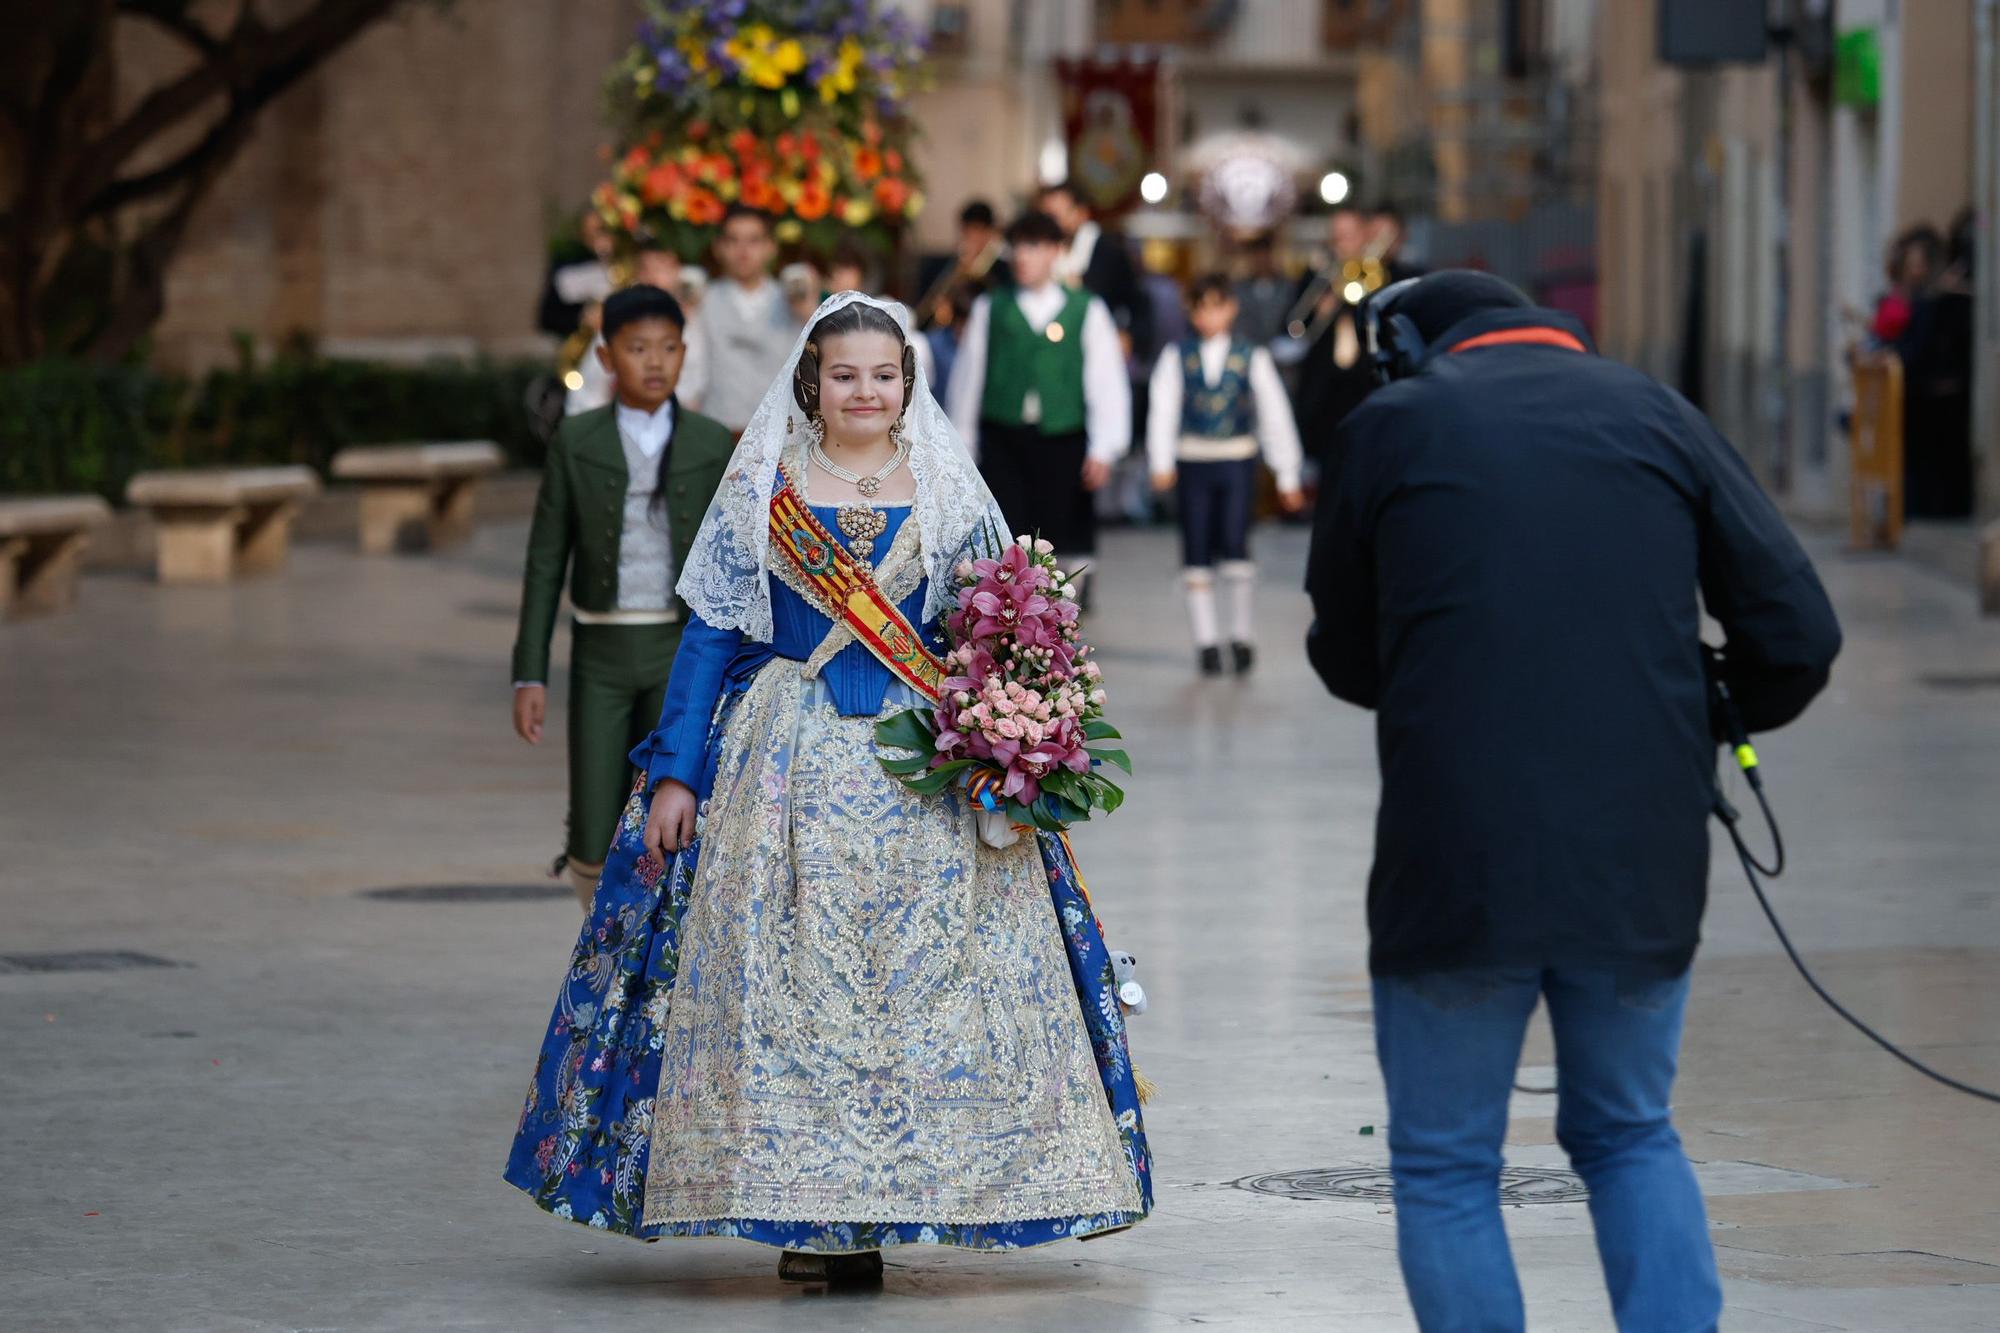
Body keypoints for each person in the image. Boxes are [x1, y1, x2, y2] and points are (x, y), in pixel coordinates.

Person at [503, 292, 1152, 1284]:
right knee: (793, 982)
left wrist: (1018, 741)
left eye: (882, 375)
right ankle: (810, 1214)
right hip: (783, 757)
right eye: (843, 374)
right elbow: (712, 634)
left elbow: (997, 638)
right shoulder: (764, 481)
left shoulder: (945, 486)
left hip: (921, 763)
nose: (863, 391)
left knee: (917, 984)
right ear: (811, 380)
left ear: (907, 382)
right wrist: (676, 771)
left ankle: (905, 1191)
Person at [1306, 271, 1842, 1332]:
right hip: (1637, 851)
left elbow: (1345, 655)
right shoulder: (1656, 412)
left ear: (1406, 341)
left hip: (1454, 853)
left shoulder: (1391, 426)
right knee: (1630, 1132)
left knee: (1445, 1164)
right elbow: (1799, 634)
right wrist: (1698, 705)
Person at [512, 285, 738, 909]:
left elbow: (736, 564)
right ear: (607, 358)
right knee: (591, 815)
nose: (655, 362)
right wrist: (528, 672)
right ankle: (596, 935)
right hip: (600, 650)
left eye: (668, 348)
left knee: (671, 798)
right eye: (638, 349)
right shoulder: (576, 441)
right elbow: (544, 561)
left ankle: (654, 948)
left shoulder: (710, 442)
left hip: (678, 649)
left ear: (685, 353)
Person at [946, 210, 1131, 591]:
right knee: (1003, 534)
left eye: (1033, 247)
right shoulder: (990, 307)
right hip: (1002, 437)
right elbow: (968, 380)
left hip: (1062, 436)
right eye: (1017, 248)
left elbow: (1105, 380)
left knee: (1057, 534)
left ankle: (1052, 624)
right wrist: (962, 445)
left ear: (1055, 252)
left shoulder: (1086, 308)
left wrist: (1105, 446)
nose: (1023, 257)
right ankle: (1002, 623)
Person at [1146, 273, 1304, 676]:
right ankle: (1207, 642)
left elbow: (1274, 415)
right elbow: (1162, 410)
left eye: (1217, 306)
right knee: (1195, 548)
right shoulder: (1176, 356)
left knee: (1236, 544)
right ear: (1191, 311)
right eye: (1200, 307)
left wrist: (1287, 474)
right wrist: (1161, 461)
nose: (1209, 316)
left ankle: (1241, 635)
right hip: (1193, 459)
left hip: (1237, 460)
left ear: (1231, 308)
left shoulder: (1252, 356)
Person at [685, 205, 807, 435]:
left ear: (771, 247)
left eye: (753, 241)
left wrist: (806, 310)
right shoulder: (701, 301)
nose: (743, 251)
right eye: (733, 241)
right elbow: (690, 369)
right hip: (716, 431)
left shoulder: (793, 301)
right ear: (718, 248)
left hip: (780, 433)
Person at [1290, 206, 1376, 471]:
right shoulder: (1317, 273)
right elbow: (1295, 325)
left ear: (1363, 236)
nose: (1343, 242)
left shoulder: (1375, 272)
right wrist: (1320, 307)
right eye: (1337, 236)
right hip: (1324, 387)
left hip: (1363, 383)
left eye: (1349, 235)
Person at [1038, 179, 1152, 354]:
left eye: (1056, 216)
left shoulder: (1108, 252)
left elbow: (1137, 302)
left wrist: (1128, 336)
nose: (1049, 225)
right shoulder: (1038, 252)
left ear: (1081, 213)